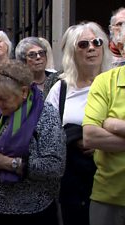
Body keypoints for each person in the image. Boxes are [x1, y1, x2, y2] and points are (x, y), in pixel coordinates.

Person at [0, 60, 65, 225]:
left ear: (24, 92)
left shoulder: (46, 115)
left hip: (33, 211)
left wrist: (9, 163)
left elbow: (54, 167)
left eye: (3, 99)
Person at [45, 22, 112, 225]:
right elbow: (46, 132)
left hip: (111, 177)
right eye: (83, 44)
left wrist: (100, 142)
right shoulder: (61, 89)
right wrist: (74, 139)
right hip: (72, 182)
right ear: (72, 52)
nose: (91, 48)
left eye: (97, 42)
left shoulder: (115, 84)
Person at [83, 21, 125, 225]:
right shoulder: (104, 82)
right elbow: (90, 136)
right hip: (108, 197)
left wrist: (114, 125)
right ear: (122, 49)